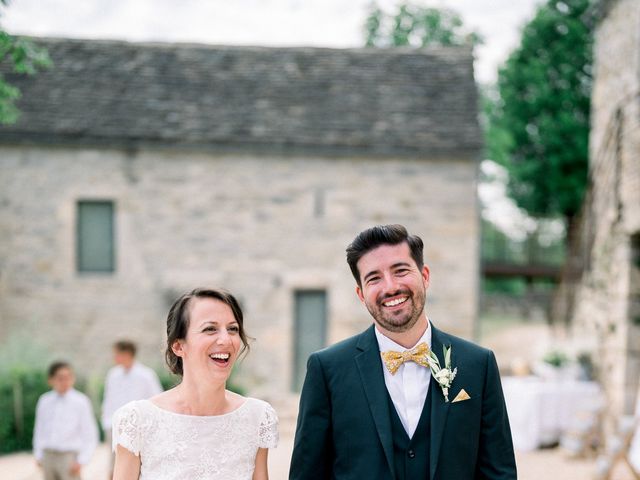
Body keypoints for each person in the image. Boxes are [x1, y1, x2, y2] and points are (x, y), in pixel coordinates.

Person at [289, 224, 517, 479]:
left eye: (400, 271)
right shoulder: (326, 369)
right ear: (361, 294)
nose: (390, 287)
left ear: (425, 276)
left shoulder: (478, 364)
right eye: (374, 278)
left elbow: (499, 473)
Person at [111, 288, 279, 480]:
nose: (226, 339)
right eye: (210, 329)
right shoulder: (137, 420)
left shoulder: (257, 417)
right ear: (178, 346)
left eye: (233, 329)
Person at [101, 340, 163, 478]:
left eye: (117, 354)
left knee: (136, 467)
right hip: (114, 427)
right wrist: (106, 423)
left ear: (127, 353)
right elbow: (108, 400)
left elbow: (157, 400)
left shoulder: (146, 375)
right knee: (113, 467)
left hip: (139, 428)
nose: (114, 357)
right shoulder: (113, 375)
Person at [33, 361, 99, 480]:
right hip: (48, 455)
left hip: (69, 457)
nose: (65, 381)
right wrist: (38, 454)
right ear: (51, 380)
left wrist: (82, 460)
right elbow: (39, 429)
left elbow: (89, 433)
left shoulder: (81, 401)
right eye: (60, 378)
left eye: (68, 377)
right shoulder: (44, 401)